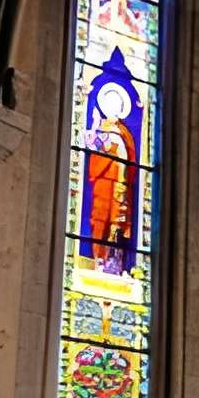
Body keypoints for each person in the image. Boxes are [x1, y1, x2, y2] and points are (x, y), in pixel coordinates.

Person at [85, 77, 138, 272]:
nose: (113, 107)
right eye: (110, 103)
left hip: (120, 182)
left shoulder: (124, 132)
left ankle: (113, 263)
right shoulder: (102, 128)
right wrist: (95, 132)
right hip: (104, 181)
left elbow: (127, 154)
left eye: (117, 104)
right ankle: (99, 259)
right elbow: (97, 146)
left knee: (117, 222)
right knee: (100, 218)